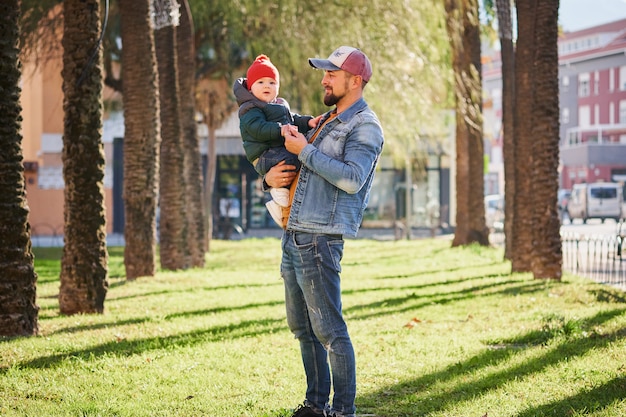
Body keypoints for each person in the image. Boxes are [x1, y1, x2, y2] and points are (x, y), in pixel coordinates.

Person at [264, 46, 384, 417]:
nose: (324, 79)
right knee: (303, 328)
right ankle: (315, 405)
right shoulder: (326, 121)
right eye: (325, 72)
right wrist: (268, 180)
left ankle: (342, 411)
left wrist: (304, 152)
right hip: (294, 234)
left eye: (332, 73)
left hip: (320, 239)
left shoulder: (365, 126)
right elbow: (302, 173)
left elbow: (351, 178)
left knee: (330, 331)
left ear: (355, 81)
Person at [233, 55, 320, 226]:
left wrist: (308, 121)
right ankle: (279, 197)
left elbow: (293, 119)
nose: (267, 86)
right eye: (260, 82)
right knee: (295, 159)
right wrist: (281, 130)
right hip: (265, 154)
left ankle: (284, 203)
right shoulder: (250, 108)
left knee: (299, 160)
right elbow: (258, 129)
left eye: (272, 82)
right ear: (250, 89)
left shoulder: (279, 105)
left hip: (276, 151)